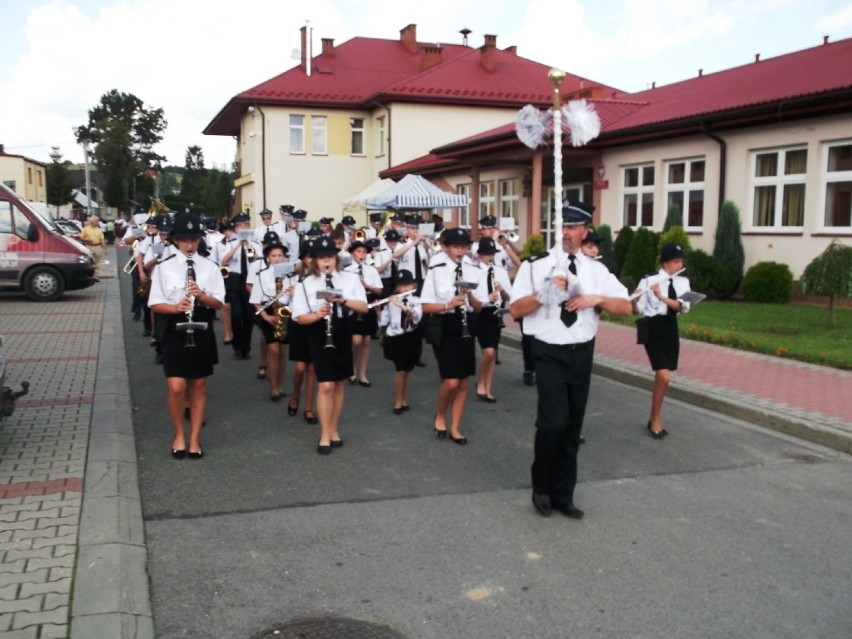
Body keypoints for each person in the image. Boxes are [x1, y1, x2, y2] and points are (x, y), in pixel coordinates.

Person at [509, 201, 632, 519]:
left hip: (581, 351)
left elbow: (626, 307)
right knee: (552, 423)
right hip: (548, 351)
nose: (566, 232)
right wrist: (544, 292)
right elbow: (516, 310)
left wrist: (597, 298)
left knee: (572, 426)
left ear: (585, 231)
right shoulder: (536, 266)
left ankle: (564, 494)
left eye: (573, 227)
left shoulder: (596, 269)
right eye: (561, 226)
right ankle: (542, 488)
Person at [148, 213, 225, 460]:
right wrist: (175, 308)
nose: (189, 244)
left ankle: (194, 439)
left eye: (193, 239)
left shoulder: (210, 267)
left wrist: (201, 295)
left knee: (200, 385)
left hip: (201, 324)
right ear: (175, 241)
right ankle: (179, 433)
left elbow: (219, 304)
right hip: (175, 325)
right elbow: (155, 303)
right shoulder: (164, 267)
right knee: (176, 385)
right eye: (184, 240)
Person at [290, 236, 368, 454]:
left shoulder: (349, 279)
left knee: (339, 383)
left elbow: (363, 307)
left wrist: (342, 300)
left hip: (342, 328)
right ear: (314, 261)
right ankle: (324, 433)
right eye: (322, 258)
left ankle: (334, 429)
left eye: (330, 257)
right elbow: (299, 317)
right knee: (325, 384)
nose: (327, 262)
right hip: (318, 331)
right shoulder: (306, 284)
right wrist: (317, 314)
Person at [420, 227, 482, 445]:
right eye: (456, 246)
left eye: (464, 246)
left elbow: (479, 307)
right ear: (445, 247)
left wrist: (470, 296)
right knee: (451, 382)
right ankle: (440, 413)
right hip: (444, 324)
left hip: (465, 324)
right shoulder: (436, 268)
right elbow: (426, 306)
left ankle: (455, 427)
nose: (460, 251)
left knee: (463, 382)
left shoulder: (473, 268)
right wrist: (448, 304)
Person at [634, 242, 692, 439]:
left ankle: (653, 417)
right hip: (653, 328)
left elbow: (682, 307)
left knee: (665, 378)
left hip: (670, 328)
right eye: (675, 261)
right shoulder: (649, 280)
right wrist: (633, 300)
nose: (678, 265)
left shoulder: (683, 282)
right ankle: (655, 420)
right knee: (664, 376)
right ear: (665, 263)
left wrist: (661, 296)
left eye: (680, 261)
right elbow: (637, 309)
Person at [213, 213, 262, 359]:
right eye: (241, 226)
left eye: (246, 225)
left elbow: (258, 260)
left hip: (250, 279)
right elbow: (224, 261)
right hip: (234, 279)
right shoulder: (228, 243)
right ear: (235, 228)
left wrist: (248, 245)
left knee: (248, 316)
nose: (244, 228)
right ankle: (237, 345)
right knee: (236, 314)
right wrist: (237, 245)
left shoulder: (255, 243)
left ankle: (245, 347)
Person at [250, 240, 294, 401]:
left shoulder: (291, 275)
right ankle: (273, 387)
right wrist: (266, 317)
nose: (277, 258)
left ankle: (280, 384)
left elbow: (296, 297)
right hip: (268, 312)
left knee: (283, 351)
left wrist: (293, 292)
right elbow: (255, 300)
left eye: (280, 255)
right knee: (273, 350)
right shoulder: (261, 275)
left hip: (285, 312)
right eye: (273, 256)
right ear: (268, 258)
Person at [473, 237, 512, 403]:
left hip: (496, 313)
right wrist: (486, 297)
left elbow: (509, 296)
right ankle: (480, 381)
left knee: (493, 352)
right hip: (481, 312)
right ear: (479, 255)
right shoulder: (474, 271)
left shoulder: (501, 271)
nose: (490, 257)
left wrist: (502, 291)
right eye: (486, 254)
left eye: (492, 254)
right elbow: (471, 297)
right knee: (487, 351)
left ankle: (488, 388)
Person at [379, 269, 422, 413]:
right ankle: (397, 401)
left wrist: (399, 305)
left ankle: (404, 399)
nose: (404, 288)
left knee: (407, 370)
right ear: (397, 287)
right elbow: (383, 321)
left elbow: (415, 316)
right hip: (396, 338)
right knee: (400, 370)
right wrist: (378, 307)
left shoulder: (416, 301)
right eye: (401, 286)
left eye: (407, 285)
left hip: (411, 338)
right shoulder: (390, 302)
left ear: (413, 285)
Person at [287, 239, 319, 424]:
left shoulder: (322, 277)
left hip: (315, 322)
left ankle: (308, 408)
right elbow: (283, 303)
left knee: (312, 368)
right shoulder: (294, 276)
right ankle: (295, 394)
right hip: (298, 322)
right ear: (303, 258)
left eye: (315, 257)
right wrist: (289, 293)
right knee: (300, 367)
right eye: (308, 257)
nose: (312, 261)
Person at [344, 240, 382, 386]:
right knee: (356, 340)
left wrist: (370, 287)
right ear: (353, 253)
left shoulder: (371, 270)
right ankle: (351, 369)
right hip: (353, 304)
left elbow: (380, 290)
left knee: (366, 341)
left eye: (364, 252)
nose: (362, 254)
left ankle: (362, 374)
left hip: (369, 301)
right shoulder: (346, 271)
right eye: (359, 251)